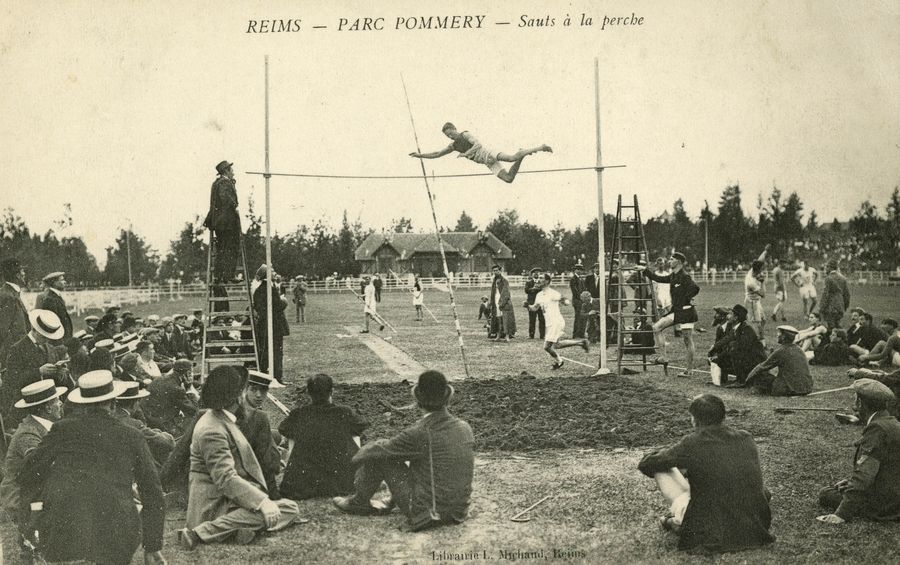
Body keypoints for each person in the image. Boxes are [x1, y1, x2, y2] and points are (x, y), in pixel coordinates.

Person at [19, 370, 166, 565]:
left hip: (65, 526)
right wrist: (152, 546)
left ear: (82, 403)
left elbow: (28, 471)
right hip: (117, 528)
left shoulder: (62, 429)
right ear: (113, 402)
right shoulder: (131, 435)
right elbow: (153, 492)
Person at [176, 366, 302, 550]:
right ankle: (200, 533)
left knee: (289, 508)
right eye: (244, 390)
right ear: (237, 396)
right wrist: (262, 502)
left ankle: (240, 528)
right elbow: (225, 478)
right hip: (215, 505)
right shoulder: (212, 429)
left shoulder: (222, 419)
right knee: (280, 510)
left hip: (230, 500)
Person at [333, 370, 474, 532]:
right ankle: (390, 500)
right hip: (459, 510)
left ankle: (358, 502)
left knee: (382, 455)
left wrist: (354, 460)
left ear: (418, 400)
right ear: (446, 398)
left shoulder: (420, 432)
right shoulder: (464, 427)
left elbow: (378, 450)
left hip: (429, 512)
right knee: (421, 461)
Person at [638, 394, 774, 554]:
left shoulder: (693, 443)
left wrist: (656, 454)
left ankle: (677, 519)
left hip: (713, 524)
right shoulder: (746, 437)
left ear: (695, 419)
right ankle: (679, 515)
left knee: (661, 468)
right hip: (755, 524)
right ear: (723, 416)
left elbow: (647, 464)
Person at [816, 378, 900, 524]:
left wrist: (841, 514)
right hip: (894, 492)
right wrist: (849, 482)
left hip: (885, 504)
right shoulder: (891, 423)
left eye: (855, 399)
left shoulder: (877, 429)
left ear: (860, 403)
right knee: (840, 488)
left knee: (826, 494)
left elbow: (865, 475)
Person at [0, 380, 65, 560]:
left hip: (35, 496)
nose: (60, 403)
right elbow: (43, 466)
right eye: (56, 400)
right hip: (20, 503)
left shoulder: (42, 427)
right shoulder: (28, 434)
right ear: (47, 408)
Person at [280, 373, 369, 500]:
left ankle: (294, 470)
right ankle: (357, 470)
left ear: (308, 393)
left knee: (292, 434)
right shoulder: (343, 412)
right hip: (340, 482)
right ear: (332, 391)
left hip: (303, 484)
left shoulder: (299, 414)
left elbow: (285, 430)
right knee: (353, 431)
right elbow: (360, 426)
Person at [409, 122, 552, 184]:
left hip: (488, 153)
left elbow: (478, 144)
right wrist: (419, 155)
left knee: (511, 158)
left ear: (454, 129)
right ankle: (523, 154)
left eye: (450, 133)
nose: (450, 137)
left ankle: (540, 147)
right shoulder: (453, 146)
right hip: (486, 162)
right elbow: (437, 154)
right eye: (447, 136)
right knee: (508, 179)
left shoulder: (465, 134)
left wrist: (466, 154)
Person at [1, 310, 68, 429]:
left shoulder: (49, 348)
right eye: (44, 336)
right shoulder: (17, 349)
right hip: (27, 408)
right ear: (35, 330)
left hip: (48, 408)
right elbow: (11, 381)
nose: (47, 340)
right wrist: (38, 372)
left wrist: (59, 373)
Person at [639, 252, 700, 378]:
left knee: (687, 340)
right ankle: (663, 357)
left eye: (672, 259)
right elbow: (659, 279)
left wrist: (686, 300)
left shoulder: (685, 276)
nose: (669, 261)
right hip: (677, 311)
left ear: (679, 262)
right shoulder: (673, 275)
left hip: (687, 312)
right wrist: (645, 271)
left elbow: (695, 288)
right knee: (656, 327)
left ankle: (689, 371)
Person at [527, 274, 589, 369]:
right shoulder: (539, 295)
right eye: (538, 278)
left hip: (556, 321)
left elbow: (564, 299)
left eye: (541, 278)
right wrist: (527, 305)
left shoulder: (552, 293)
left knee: (547, 346)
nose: (538, 280)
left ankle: (559, 361)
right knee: (556, 345)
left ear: (547, 281)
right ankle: (581, 342)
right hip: (549, 323)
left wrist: (565, 302)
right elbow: (534, 308)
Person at [745, 326, 814, 396]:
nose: (777, 335)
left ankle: (757, 390)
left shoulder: (781, 350)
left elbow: (762, 367)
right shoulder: (799, 349)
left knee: (761, 375)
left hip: (790, 389)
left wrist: (747, 380)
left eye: (779, 333)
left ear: (783, 337)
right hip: (807, 388)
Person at [708, 304, 766, 387]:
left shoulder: (746, 330)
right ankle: (721, 379)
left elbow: (740, 349)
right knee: (722, 353)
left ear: (736, 318)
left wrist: (719, 356)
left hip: (755, 362)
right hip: (747, 359)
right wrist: (714, 347)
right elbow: (727, 339)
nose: (728, 316)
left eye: (731, 314)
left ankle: (741, 381)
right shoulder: (736, 328)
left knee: (734, 349)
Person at [203, 160, 241, 283]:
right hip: (226, 223)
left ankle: (220, 276)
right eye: (231, 170)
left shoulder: (217, 183)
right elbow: (226, 199)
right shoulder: (224, 183)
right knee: (230, 247)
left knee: (222, 249)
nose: (233, 172)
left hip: (220, 222)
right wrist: (234, 206)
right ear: (226, 171)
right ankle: (228, 275)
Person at [253, 264, 290, 383]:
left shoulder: (261, 289)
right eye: (272, 271)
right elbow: (278, 305)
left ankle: (265, 375)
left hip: (265, 324)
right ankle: (277, 377)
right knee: (276, 351)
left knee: (266, 351)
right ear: (267, 275)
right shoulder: (270, 289)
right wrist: (284, 301)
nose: (275, 273)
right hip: (274, 325)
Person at [143, 358, 199, 436]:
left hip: (149, 420)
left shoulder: (159, 379)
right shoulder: (177, 389)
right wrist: (189, 389)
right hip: (164, 425)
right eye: (191, 372)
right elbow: (194, 410)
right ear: (187, 374)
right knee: (194, 419)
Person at [0, 257, 31, 369]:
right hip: (15, 352)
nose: (24, 274)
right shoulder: (8, 296)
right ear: (17, 275)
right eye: (22, 271)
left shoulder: (11, 293)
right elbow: (3, 330)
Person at [34, 271, 73, 340]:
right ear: (54, 283)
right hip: (59, 339)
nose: (65, 282)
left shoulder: (56, 296)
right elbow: (53, 323)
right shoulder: (50, 299)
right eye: (62, 280)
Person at [744, 245, 769, 345]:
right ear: (757, 270)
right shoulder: (751, 282)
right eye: (761, 269)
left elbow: (760, 259)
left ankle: (757, 338)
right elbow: (763, 294)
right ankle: (761, 344)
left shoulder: (752, 271)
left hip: (757, 301)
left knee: (763, 320)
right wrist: (762, 282)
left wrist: (765, 250)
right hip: (752, 302)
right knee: (757, 324)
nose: (762, 271)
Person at [820, 260, 851, 330]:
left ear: (830, 268)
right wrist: (845, 306)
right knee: (837, 325)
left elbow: (825, 294)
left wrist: (821, 308)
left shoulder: (828, 278)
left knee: (831, 327)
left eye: (827, 267)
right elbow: (847, 295)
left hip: (830, 306)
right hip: (840, 306)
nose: (825, 269)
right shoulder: (843, 278)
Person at [489, 264, 516, 342]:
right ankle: (498, 335)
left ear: (500, 271)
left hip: (504, 302)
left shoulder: (504, 280)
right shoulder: (494, 281)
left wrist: (502, 303)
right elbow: (492, 293)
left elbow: (506, 293)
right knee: (497, 318)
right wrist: (492, 303)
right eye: (494, 271)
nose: (495, 272)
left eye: (497, 270)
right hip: (495, 300)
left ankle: (507, 336)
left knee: (505, 319)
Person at [525, 267, 547, 339]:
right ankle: (531, 335)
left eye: (538, 272)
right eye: (535, 273)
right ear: (532, 274)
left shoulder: (542, 282)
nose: (536, 274)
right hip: (532, 303)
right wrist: (533, 289)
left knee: (542, 320)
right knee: (532, 320)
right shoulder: (529, 282)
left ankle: (542, 335)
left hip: (541, 303)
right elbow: (526, 290)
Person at [567, 264, 584, 340]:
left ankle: (581, 333)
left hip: (582, 300)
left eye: (580, 269)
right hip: (577, 300)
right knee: (577, 317)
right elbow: (575, 291)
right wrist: (581, 297)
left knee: (582, 317)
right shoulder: (573, 279)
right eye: (578, 269)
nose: (579, 271)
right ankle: (575, 334)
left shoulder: (581, 279)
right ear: (575, 270)